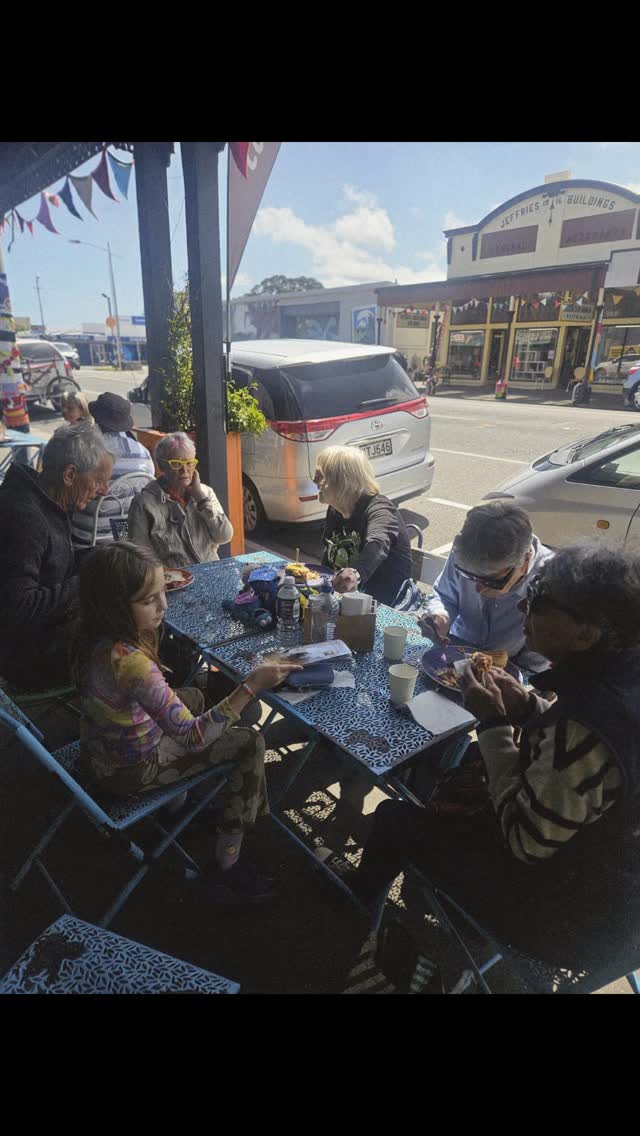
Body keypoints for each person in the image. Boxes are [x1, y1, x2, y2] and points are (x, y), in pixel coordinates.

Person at [335, 544, 640, 967]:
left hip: (573, 919)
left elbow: (523, 840)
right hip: (602, 874)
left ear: (586, 635)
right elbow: (583, 744)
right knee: (462, 770)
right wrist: (529, 709)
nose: (523, 613)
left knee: (394, 818)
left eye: (536, 604)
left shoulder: (585, 732)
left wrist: (494, 723)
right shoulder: (622, 676)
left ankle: (352, 910)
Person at [75, 542, 301, 902]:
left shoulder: (92, 640)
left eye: (163, 591)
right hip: (127, 771)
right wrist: (251, 685)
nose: (163, 605)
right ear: (115, 608)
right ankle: (228, 864)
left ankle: (177, 810)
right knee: (249, 742)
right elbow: (194, 737)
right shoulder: (132, 663)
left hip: (99, 749)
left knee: (194, 697)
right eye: (149, 600)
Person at [0, 422, 112, 689]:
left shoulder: (42, 499)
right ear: (70, 474)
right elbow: (18, 608)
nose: (104, 490)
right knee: (129, 634)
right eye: (99, 480)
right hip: (27, 661)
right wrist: (87, 580)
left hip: (44, 640)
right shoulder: (25, 517)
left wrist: (100, 557)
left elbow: (52, 567)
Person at [419, 500, 553, 672]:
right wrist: (440, 615)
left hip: (510, 669)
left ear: (525, 563)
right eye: (468, 576)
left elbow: (536, 665)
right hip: (457, 651)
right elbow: (444, 596)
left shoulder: (551, 581)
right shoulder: (466, 554)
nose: (478, 589)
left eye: (491, 581)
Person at [317, 445, 413, 607]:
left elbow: (378, 542)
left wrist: (356, 573)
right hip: (344, 602)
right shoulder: (335, 509)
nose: (314, 481)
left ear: (339, 480)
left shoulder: (380, 508)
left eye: (319, 476)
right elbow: (327, 557)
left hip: (383, 607)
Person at [128, 431, 233, 567]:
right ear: (162, 466)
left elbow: (225, 536)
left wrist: (201, 499)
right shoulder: (144, 503)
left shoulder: (205, 493)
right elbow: (140, 558)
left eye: (190, 463)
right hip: (173, 580)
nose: (184, 470)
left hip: (210, 572)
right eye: (176, 464)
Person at [70, 393, 154, 551]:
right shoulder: (143, 453)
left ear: (98, 419)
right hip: (128, 537)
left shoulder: (88, 450)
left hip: (90, 538)